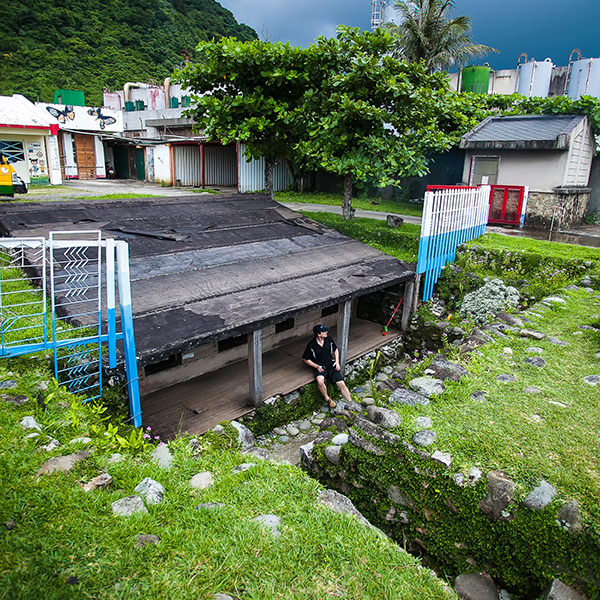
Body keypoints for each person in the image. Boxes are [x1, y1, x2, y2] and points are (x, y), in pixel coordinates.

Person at [302, 324, 352, 409]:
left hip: (330, 363)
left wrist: (337, 362)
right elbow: (306, 359)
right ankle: (328, 399)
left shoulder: (329, 340)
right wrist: (316, 366)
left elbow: (335, 350)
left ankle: (351, 402)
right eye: (324, 331)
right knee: (320, 380)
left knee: (341, 383)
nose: (326, 332)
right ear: (319, 334)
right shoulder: (311, 345)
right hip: (320, 366)